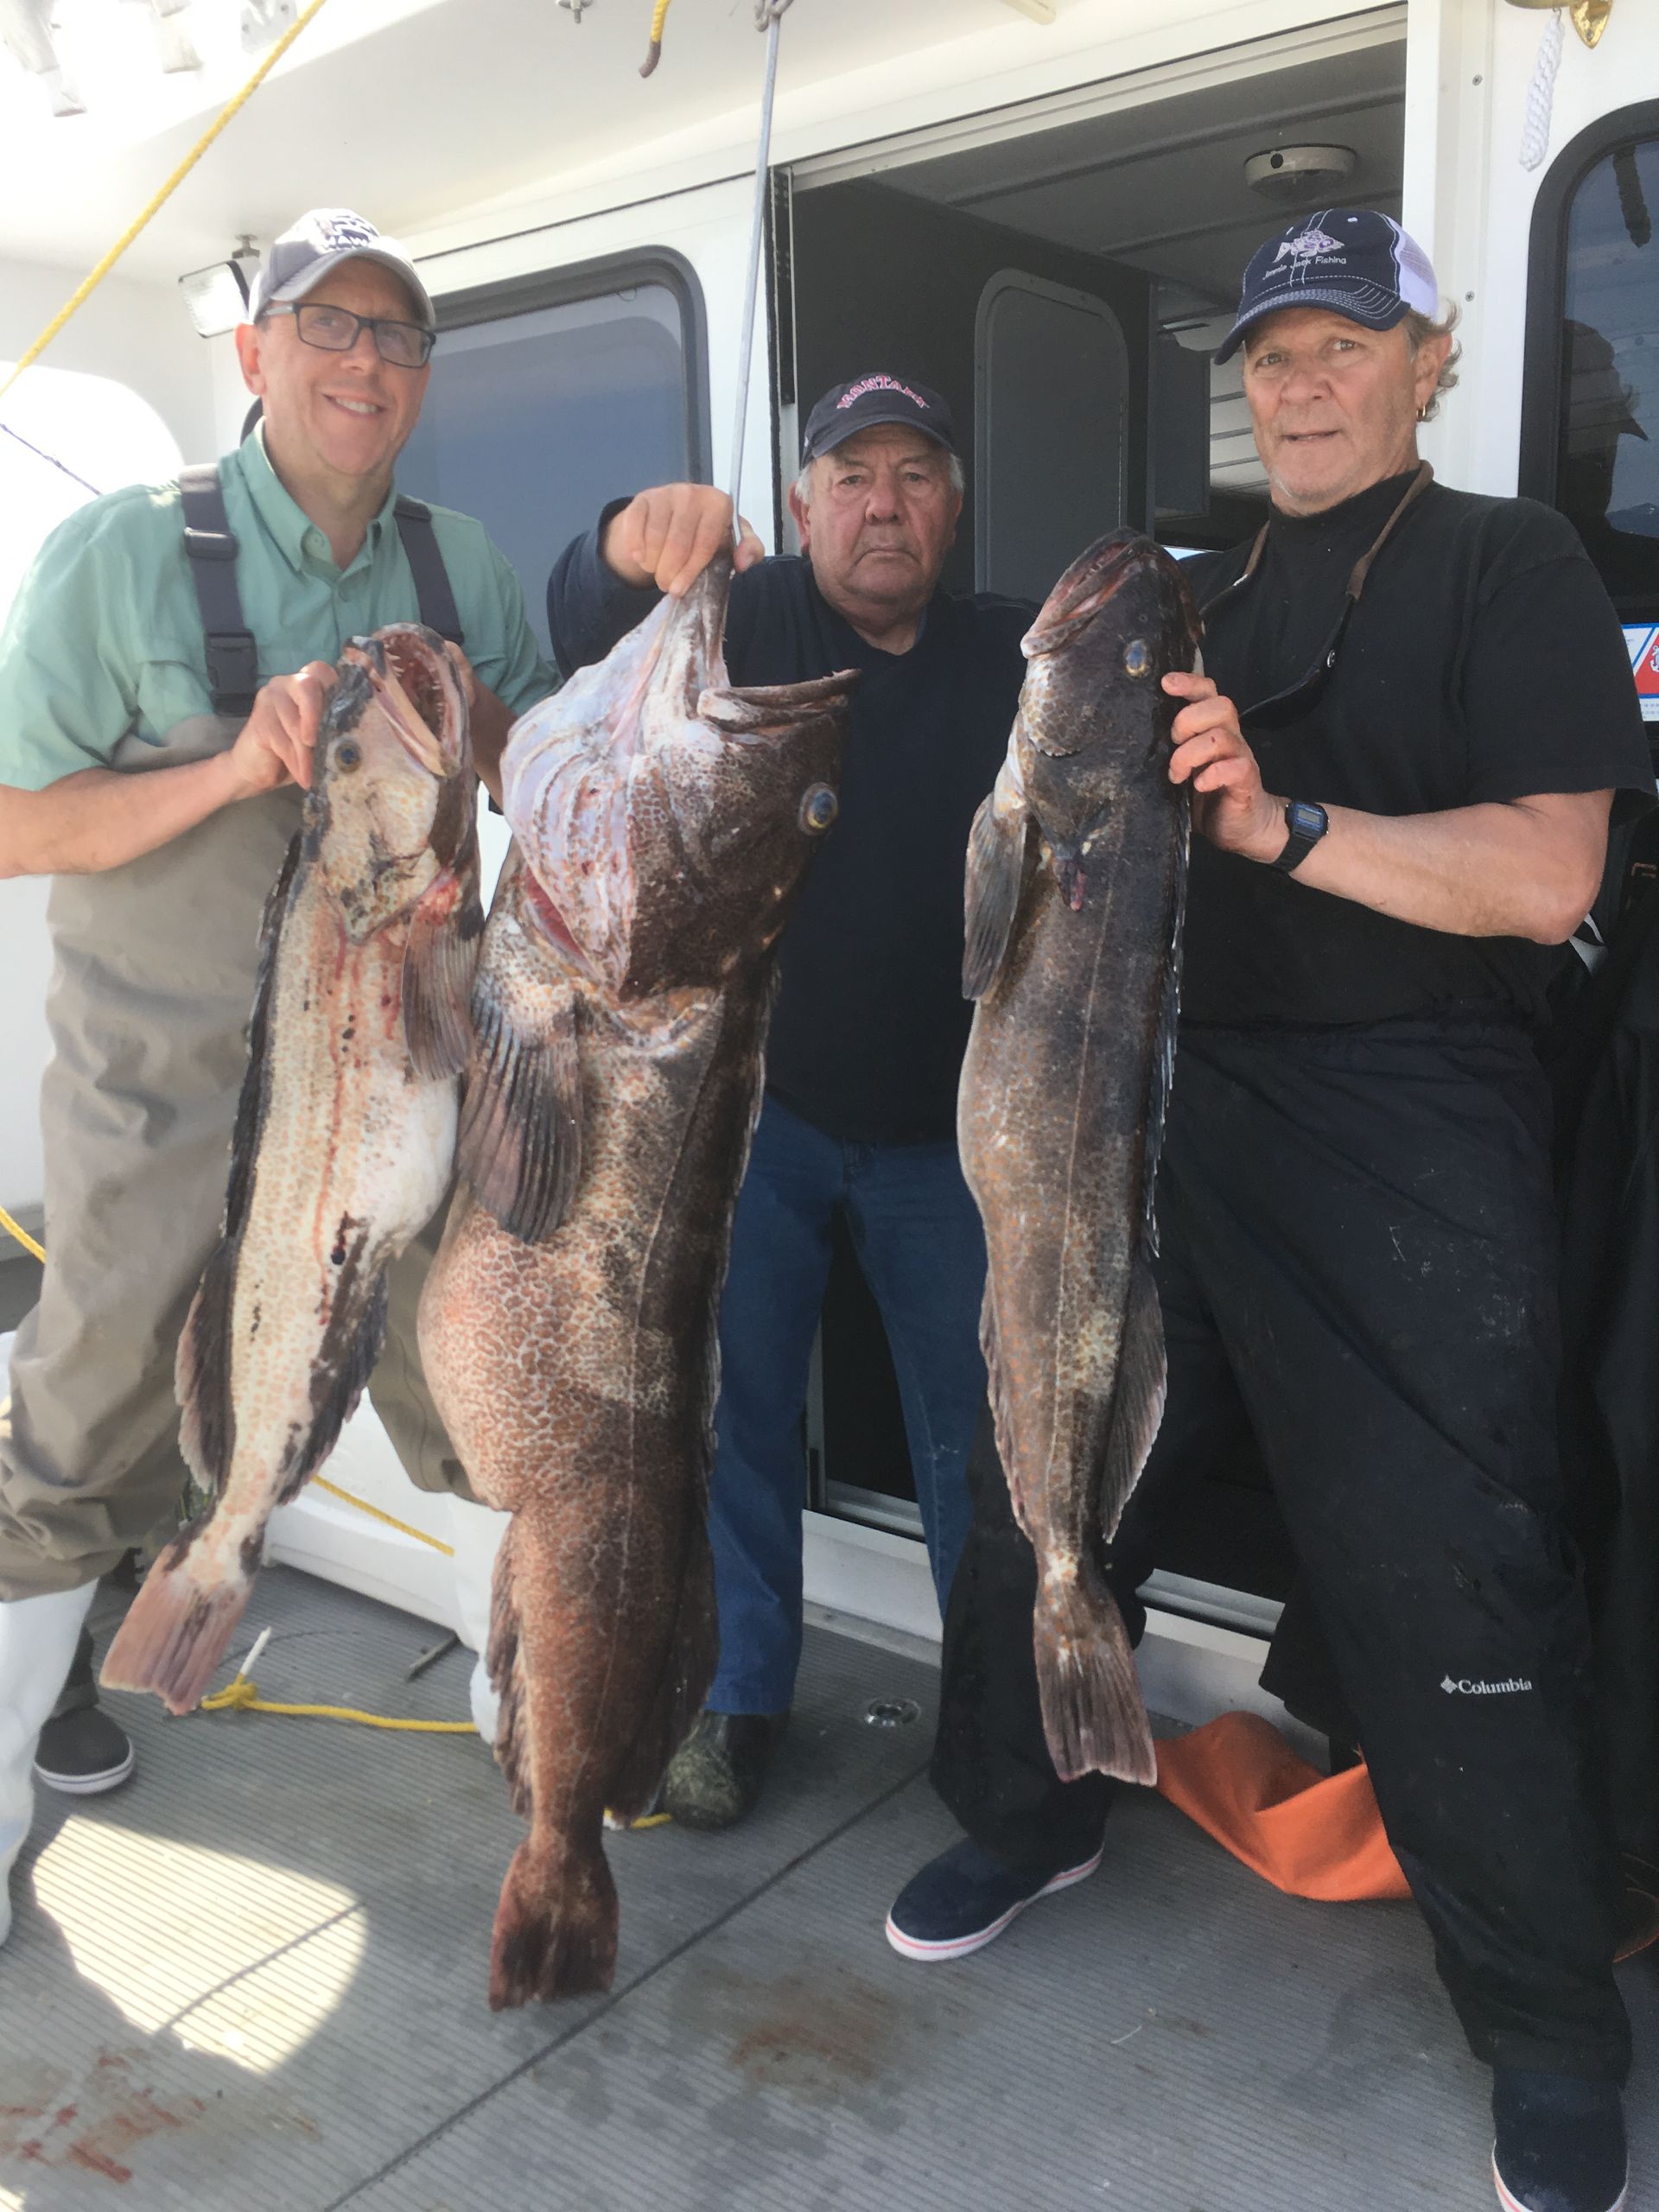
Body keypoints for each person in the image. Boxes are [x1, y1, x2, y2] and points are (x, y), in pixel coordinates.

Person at [885, 212, 1652, 2212]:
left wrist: (1283, 820)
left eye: (1342, 347)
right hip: (1153, 1101)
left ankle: (1550, 2016)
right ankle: (1031, 1805)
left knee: (1450, 1565)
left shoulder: (1512, 562)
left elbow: (1553, 872)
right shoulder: (1184, 599)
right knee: (1055, 1468)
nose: (1298, 385)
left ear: (1432, 359)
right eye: (1274, 354)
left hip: (1413, 1120)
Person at [0, 207, 557, 1945]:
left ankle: (519, 1713)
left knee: (470, 1393)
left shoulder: (462, 560)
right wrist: (236, 762)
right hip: (163, 1096)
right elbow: (16, 818)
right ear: (254, 355)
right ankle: (17, 1751)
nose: (363, 363)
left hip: (406, 1088)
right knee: (87, 1416)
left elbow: (531, 785)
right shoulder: (117, 554)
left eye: (397, 337)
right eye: (328, 326)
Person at [546, 376, 1031, 1828]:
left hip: (953, 1130)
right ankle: (734, 1694)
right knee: (729, 1414)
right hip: (747, 1116)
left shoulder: (1018, 653)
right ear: (806, 502)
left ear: (950, 505)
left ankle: (999, 1718)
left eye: (916, 474)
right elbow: (578, 632)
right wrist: (627, 538)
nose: (885, 504)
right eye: (853, 476)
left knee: (978, 1435)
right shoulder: (743, 625)